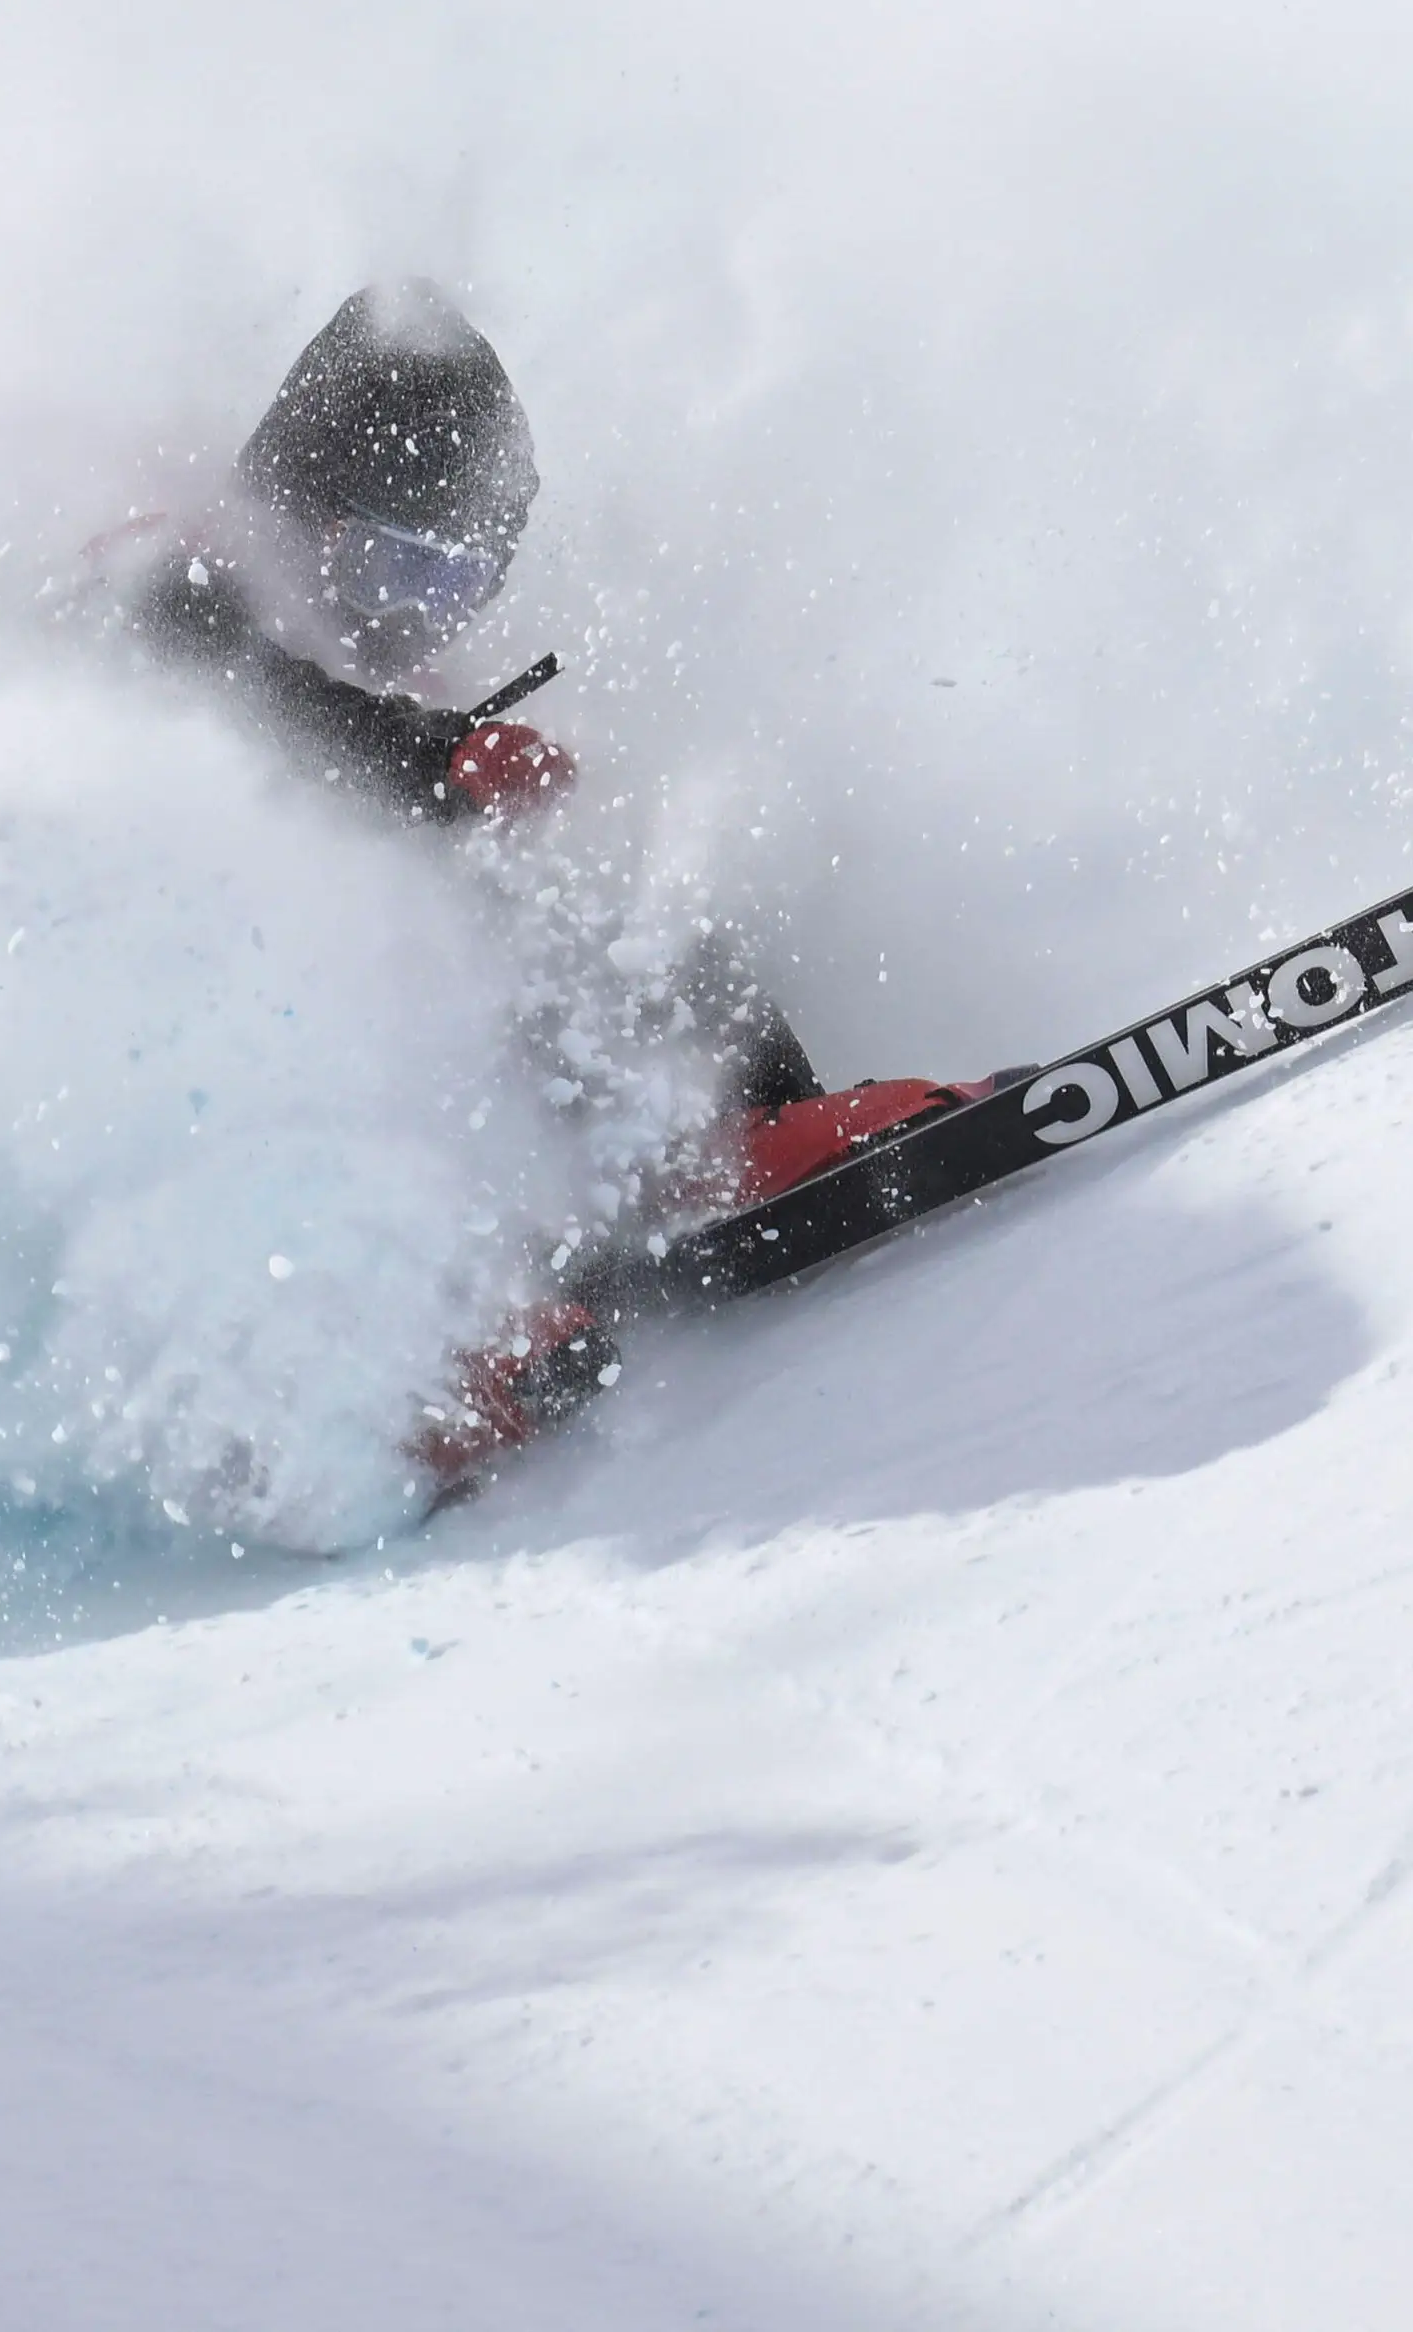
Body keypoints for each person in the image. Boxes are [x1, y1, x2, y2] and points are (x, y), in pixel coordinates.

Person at [95, 281, 1013, 1479]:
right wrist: (437, 761)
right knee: (323, 921)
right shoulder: (170, 573)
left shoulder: (380, 682)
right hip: (110, 1057)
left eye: (456, 584)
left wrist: (489, 796)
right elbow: (220, 681)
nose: (420, 617)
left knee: (577, 882)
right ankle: (383, 1333)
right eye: (395, 570)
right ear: (305, 507)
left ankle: (721, 1137)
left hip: (316, 1046)